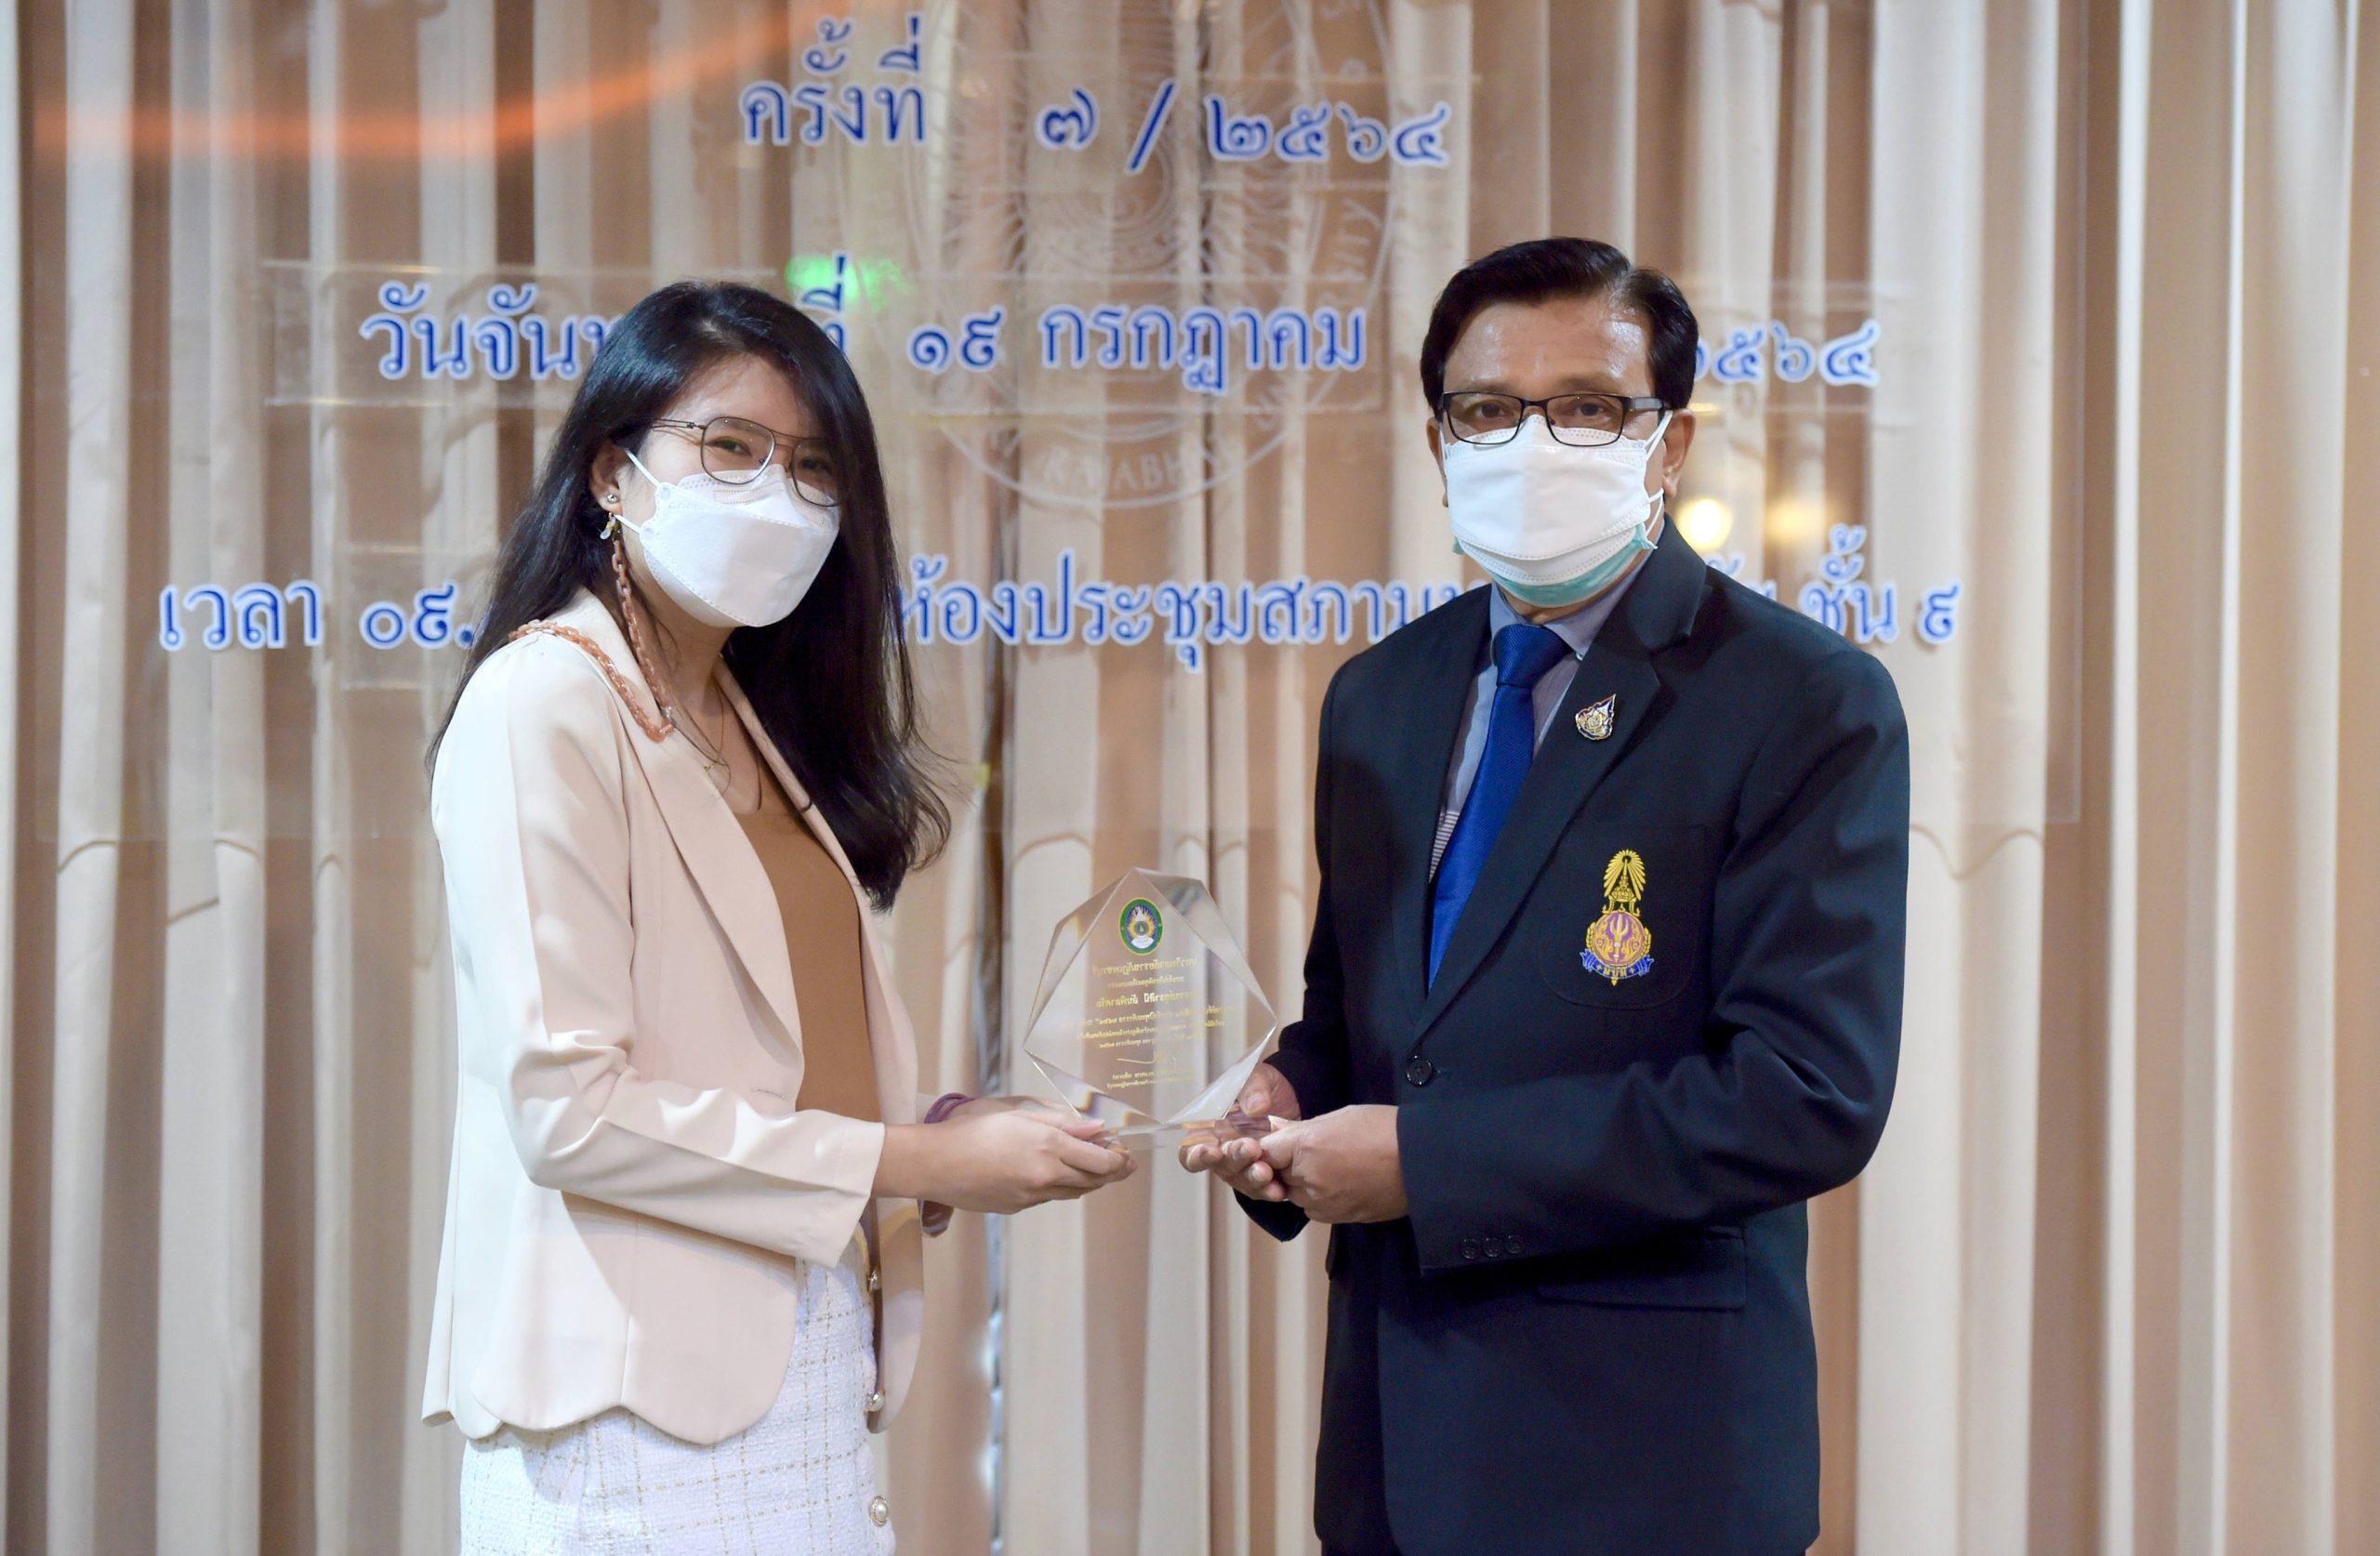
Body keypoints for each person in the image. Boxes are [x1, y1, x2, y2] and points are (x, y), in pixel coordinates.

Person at [1183, 238, 1910, 1555]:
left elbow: (1804, 1096)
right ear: (1438, 442)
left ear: (1670, 444)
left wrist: (1426, 1164)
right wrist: (1283, 1095)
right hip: (1398, 1456)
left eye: (1585, 408)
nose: (1531, 445)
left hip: (1646, 1463)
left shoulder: (1800, 699)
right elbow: (1363, 1016)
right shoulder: (1380, 695)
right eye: (1488, 411)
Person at [422, 280, 1132, 1554]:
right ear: (613, 473)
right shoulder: (545, 701)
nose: (777, 495)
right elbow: (567, 1109)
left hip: (803, 1356)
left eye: (812, 468)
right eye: (730, 447)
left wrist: (937, 1137)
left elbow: (759, 1058)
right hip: (629, 1409)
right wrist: (912, 1164)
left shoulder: (743, 714)